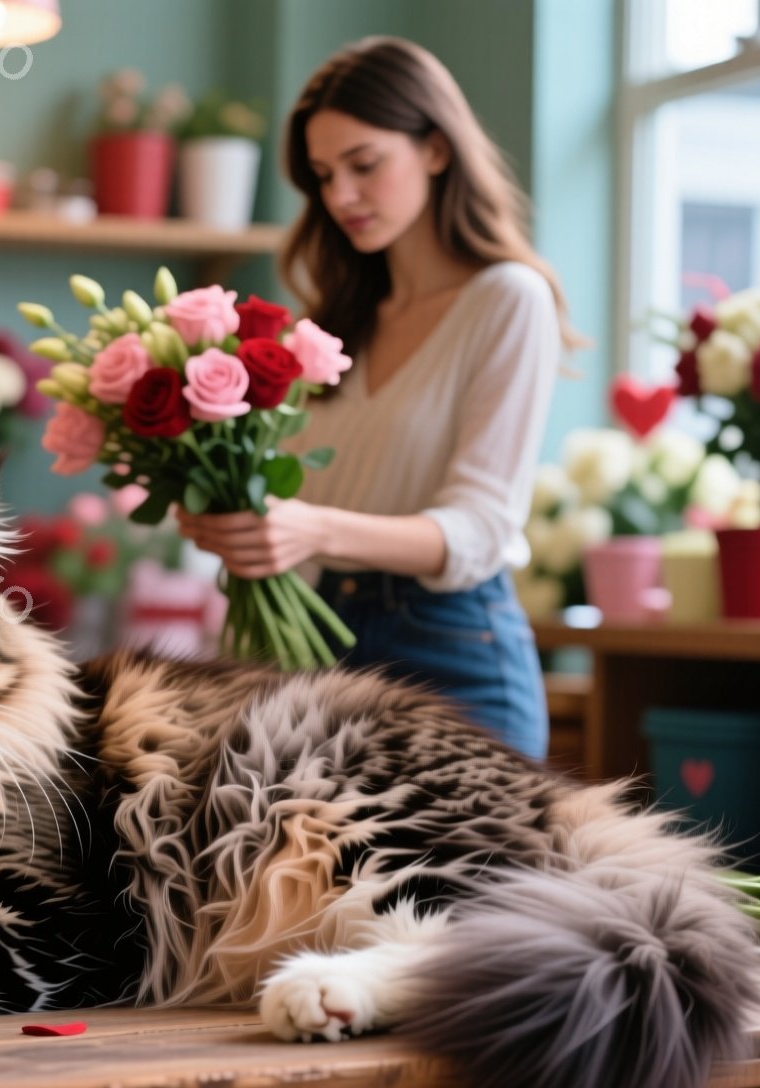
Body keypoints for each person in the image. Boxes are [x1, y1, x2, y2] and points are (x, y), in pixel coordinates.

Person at [174, 36, 577, 759]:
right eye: (325, 175)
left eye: (365, 165)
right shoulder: (331, 324)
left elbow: (481, 529)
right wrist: (235, 519)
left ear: (436, 149)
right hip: (316, 649)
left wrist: (314, 528)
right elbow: (294, 504)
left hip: (454, 654)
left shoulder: (507, 300)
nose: (340, 197)